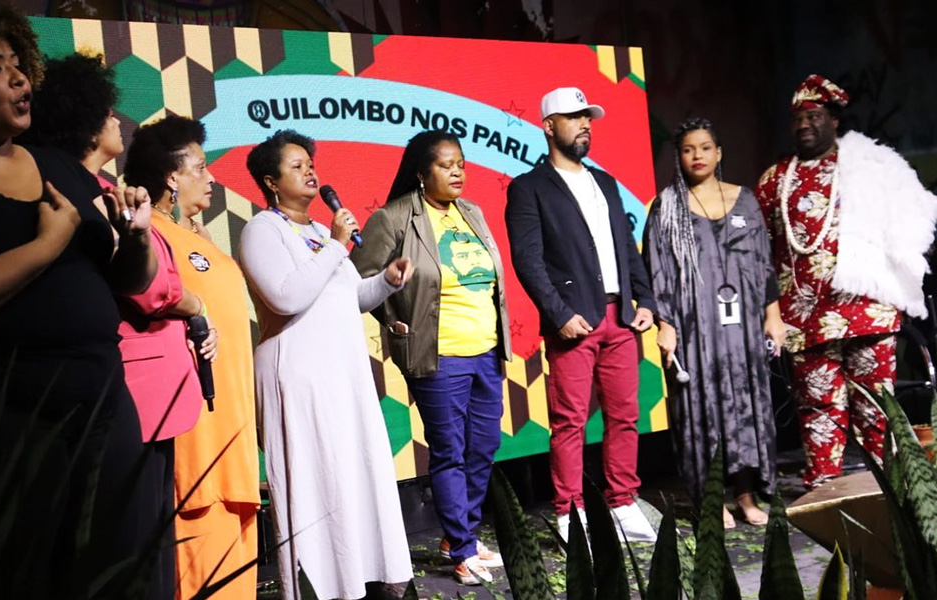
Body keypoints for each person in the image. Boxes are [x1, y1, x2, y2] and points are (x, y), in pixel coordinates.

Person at [0, 2, 160, 598]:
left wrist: (136, 238)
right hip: (8, 418)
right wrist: (46, 246)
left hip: (103, 403)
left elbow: (129, 281)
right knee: (31, 576)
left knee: (118, 570)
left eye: (18, 64)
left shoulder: (58, 165)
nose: (17, 78)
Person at [23, 53, 216, 597]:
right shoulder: (68, 187)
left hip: (137, 391)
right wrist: (194, 307)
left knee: (147, 531)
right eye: (107, 109)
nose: (117, 120)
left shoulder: (106, 191)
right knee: (127, 535)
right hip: (126, 388)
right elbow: (148, 289)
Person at [240, 129, 415, 599]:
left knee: (351, 474)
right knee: (315, 480)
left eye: (310, 162)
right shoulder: (262, 230)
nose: (310, 171)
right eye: (296, 166)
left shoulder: (321, 231)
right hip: (298, 377)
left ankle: (359, 577)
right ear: (271, 182)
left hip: (342, 376)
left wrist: (387, 281)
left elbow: (348, 297)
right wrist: (338, 246)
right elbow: (286, 295)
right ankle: (318, 584)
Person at [755, 74, 937, 489]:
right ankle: (827, 494)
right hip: (805, 318)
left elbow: (914, 223)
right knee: (818, 410)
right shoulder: (775, 179)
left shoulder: (873, 167)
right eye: (797, 118)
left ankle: (887, 492)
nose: (804, 124)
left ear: (834, 120)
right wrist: (770, 313)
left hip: (868, 312)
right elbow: (756, 250)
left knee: (877, 408)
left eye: (814, 116)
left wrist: (898, 281)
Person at [350, 130, 509, 585]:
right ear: (422, 174)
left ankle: (461, 534)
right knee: (450, 451)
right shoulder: (395, 218)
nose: (457, 170)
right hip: (438, 354)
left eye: (460, 162)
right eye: (445, 164)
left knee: (484, 447)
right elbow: (359, 281)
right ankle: (461, 549)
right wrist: (393, 321)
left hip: (485, 350)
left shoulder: (472, 212)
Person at [505, 87, 658, 543]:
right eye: (573, 117)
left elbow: (625, 250)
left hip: (620, 318)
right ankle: (570, 512)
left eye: (588, 117)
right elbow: (528, 261)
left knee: (625, 414)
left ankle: (623, 502)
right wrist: (559, 314)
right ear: (549, 126)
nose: (585, 124)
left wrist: (645, 300)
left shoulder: (605, 183)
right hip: (574, 323)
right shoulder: (529, 187)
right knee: (569, 421)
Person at [124, 115, 262, 600]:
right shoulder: (152, 237)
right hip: (197, 433)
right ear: (170, 177)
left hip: (234, 429)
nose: (212, 177)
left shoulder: (195, 237)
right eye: (200, 168)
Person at [644, 117, 785, 528]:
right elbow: (659, 272)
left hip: (741, 330)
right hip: (694, 329)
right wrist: (665, 324)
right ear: (679, 157)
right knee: (701, 412)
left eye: (705, 147)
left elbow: (763, 265)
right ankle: (713, 501)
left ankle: (745, 494)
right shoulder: (666, 206)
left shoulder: (746, 201)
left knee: (745, 407)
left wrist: (772, 316)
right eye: (689, 149)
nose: (697, 156)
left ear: (718, 152)